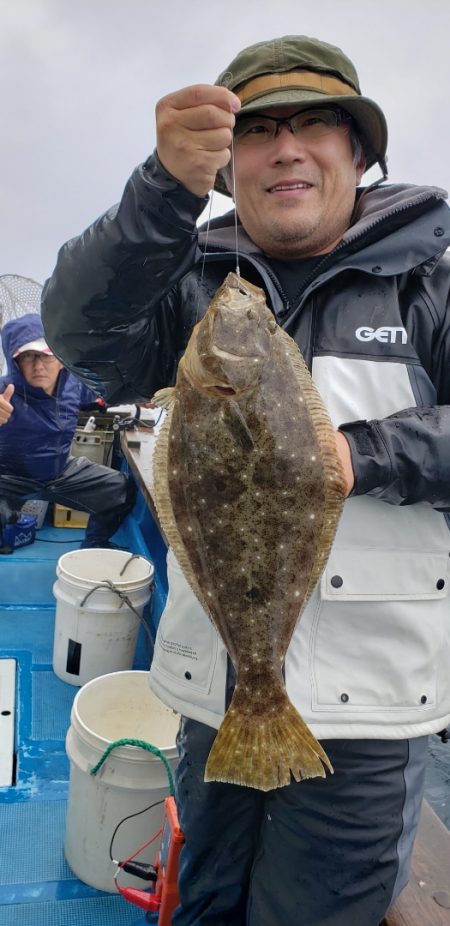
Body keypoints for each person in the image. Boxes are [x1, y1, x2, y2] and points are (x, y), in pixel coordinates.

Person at [41, 34, 450, 926]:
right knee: (204, 902)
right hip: (209, 688)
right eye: (259, 130)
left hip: (368, 714)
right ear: (228, 166)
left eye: (315, 125)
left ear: (360, 153)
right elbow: (79, 330)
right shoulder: (187, 281)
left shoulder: (432, 280)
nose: (287, 149)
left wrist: (364, 454)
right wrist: (160, 192)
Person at [0, 312, 135, 552]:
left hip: (60, 471)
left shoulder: (74, 384)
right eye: (28, 356)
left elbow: (105, 395)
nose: (38, 366)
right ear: (15, 361)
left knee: (120, 489)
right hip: (10, 477)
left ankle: (94, 544)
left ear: (61, 359)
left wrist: (138, 397)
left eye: (46, 355)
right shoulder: (4, 391)